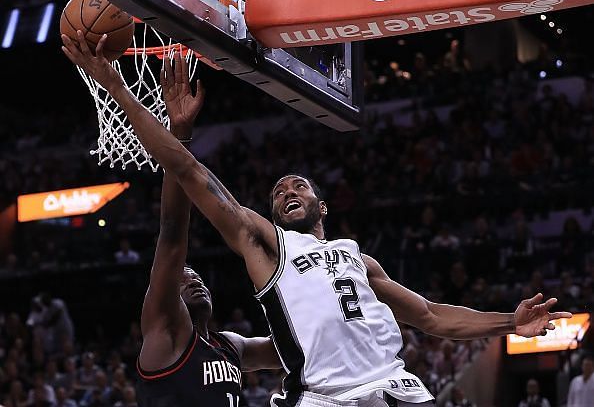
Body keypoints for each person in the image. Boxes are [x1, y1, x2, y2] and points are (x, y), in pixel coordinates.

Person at [62, 32, 572, 407]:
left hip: (396, 388)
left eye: (298, 185)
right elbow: (188, 171)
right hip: (327, 399)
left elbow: (434, 317)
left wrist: (511, 322)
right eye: (277, 190)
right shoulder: (268, 246)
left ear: (322, 206)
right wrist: (115, 85)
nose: (286, 190)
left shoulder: (359, 259)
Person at [62, 39, 280, 407]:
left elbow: (291, 348)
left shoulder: (229, 346)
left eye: (194, 275)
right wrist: (179, 136)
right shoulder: (166, 329)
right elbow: (173, 232)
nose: (192, 278)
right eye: (182, 277)